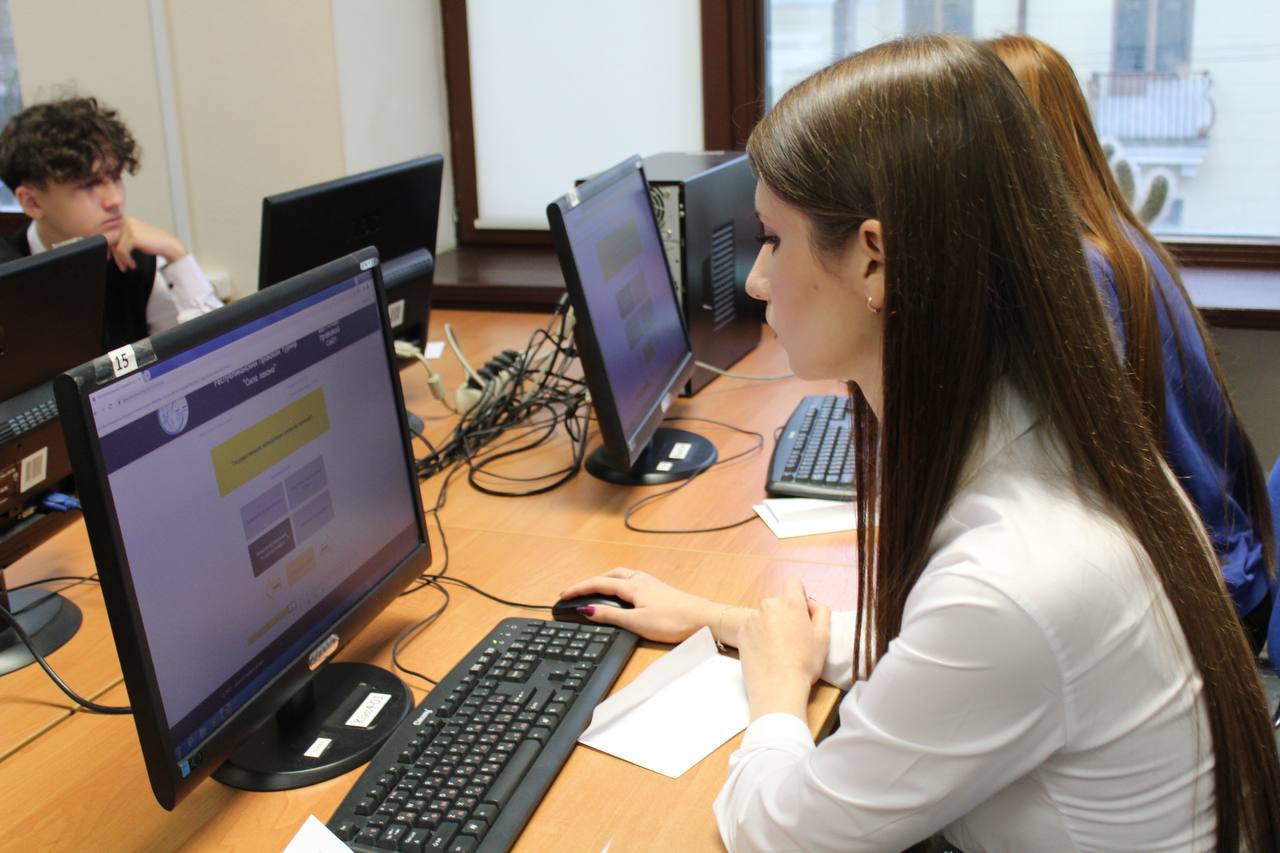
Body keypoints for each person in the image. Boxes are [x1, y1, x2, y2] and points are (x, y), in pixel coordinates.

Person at [559, 35, 1280, 851]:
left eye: (774, 239)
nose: (756, 279)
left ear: (876, 261)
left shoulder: (1020, 578)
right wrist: (728, 621)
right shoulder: (1050, 436)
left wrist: (775, 694)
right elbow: (941, 660)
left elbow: (780, 831)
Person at [987, 34, 1275, 660]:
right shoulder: (1116, 236)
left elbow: (1066, 470)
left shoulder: (1082, 267)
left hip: (1204, 602)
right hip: (1227, 571)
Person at [0, 96, 222, 350]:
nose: (115, 200)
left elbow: (218, 355)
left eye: (115, 177)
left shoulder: (136, 257)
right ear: (32, 202)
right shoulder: (7, 275)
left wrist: (176, 255)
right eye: (88, 185)